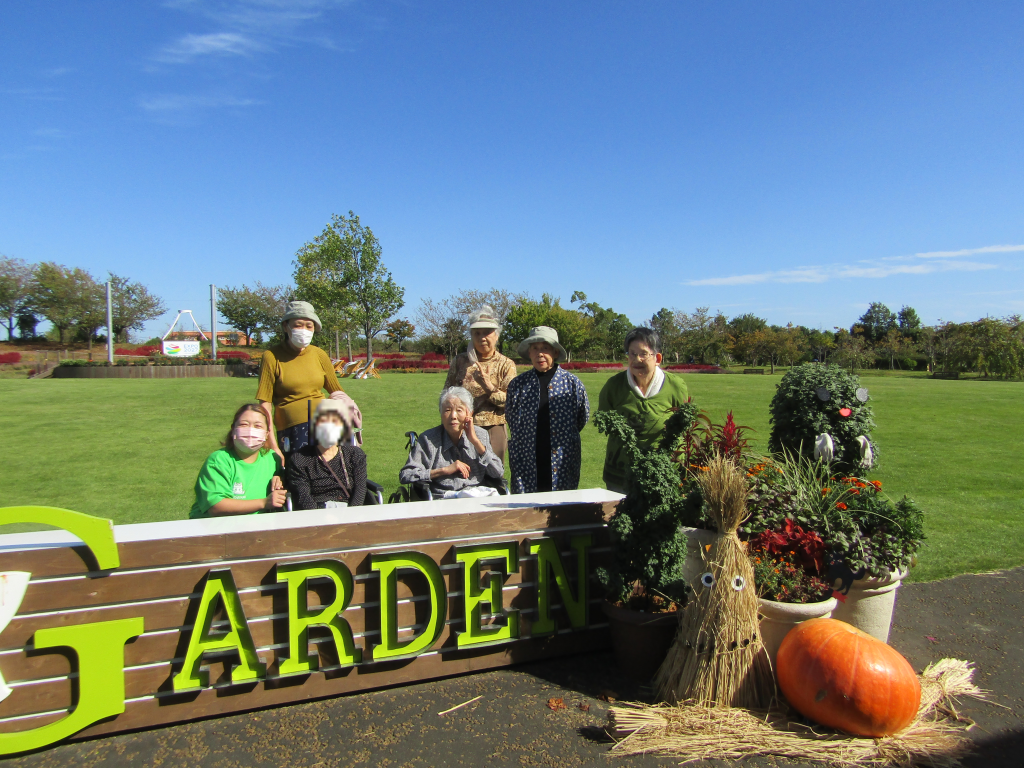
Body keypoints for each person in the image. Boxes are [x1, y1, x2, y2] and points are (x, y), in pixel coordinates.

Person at [256, 301, 361, 461]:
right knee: (300, 478)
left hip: (327, 422)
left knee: (340, 475)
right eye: (298, 325)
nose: (304, 330)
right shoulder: (271, 356)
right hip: (292, 430)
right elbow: (265, 403)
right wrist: (272, 444)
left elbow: (337, 391)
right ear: (286, 326)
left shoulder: (319, 354)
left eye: (309, 326)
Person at [598, 327, 689, 493]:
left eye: (643, 354)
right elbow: (604, 421)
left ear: (657, 358)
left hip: (664, 474)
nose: (637, 359)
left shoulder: (675, 386)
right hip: (621, 477)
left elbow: (683, 426)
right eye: (632, 353)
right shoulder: (613, 386)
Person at [505, 326, 590, 494]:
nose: (540, 353)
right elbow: (512, 418)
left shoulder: (572, 384)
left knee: (561, 509)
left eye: (545, 348)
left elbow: (582, 417)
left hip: (562, 458)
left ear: (555, 352)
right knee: (527, 511)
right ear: (529, 353)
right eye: (535, 348)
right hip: (527, 457)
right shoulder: (518, 385)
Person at [442, 305, 517, 462]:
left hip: (493, 427)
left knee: (493, 472)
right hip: (461, 426)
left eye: (487, 332)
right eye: (477, 333)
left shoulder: (506, 364)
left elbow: (510, 401)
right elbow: (446, 395)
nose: (482, 337)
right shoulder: (460, 361)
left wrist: (488, 386)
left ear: (496, 336)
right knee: (463, 472)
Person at [399, 387, 504, 498]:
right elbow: (406, 474)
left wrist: (475, 441)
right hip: (443, 499)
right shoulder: (428, 439)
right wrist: (444, 470)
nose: (453, 416)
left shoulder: (480, 435)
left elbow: (498, 472)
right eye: (447, 410)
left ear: (470, 414)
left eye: (459, 410)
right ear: (440, 412)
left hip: (475, 496)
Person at [190, 403, 287, 518]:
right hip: (213, 528)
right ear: (233, 430)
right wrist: (264, 503)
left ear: (267, 434)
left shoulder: (272, 459)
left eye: (258, 426)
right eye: (244, 424)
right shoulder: (219, 460)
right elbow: (215, 506)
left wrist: (279, 479)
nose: (251, 431)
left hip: (255, 527)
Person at [286, 399, 367, 509]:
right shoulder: (300, 459)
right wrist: (321, 520)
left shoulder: (354, 455)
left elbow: (360, 491)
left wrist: (350, 517)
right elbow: (303, 497)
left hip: (350, 511)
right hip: (316, 514)